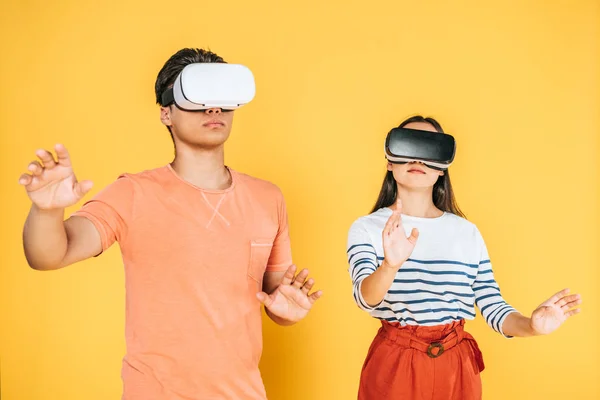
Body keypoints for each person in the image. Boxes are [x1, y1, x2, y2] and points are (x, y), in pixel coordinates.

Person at [19, 47, 322, 400]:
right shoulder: (132, 192)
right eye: (196, 96)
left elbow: (275, 297)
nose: (213, 108)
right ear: (166, 112)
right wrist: (46, 211)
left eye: (222, 96)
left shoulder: (268, 197)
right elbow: (49, 255)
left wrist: (289, 313)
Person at [346, 115, 582, 400]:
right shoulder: (368, 228)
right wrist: (389, 266)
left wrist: (531, 326)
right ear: (389, 160)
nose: (417, 160)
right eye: (408, 147)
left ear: (442, 168)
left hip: (456, 367)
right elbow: (365, 297)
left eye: (429, 150)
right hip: (395, 365)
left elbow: (492, 305)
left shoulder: (466, 232)